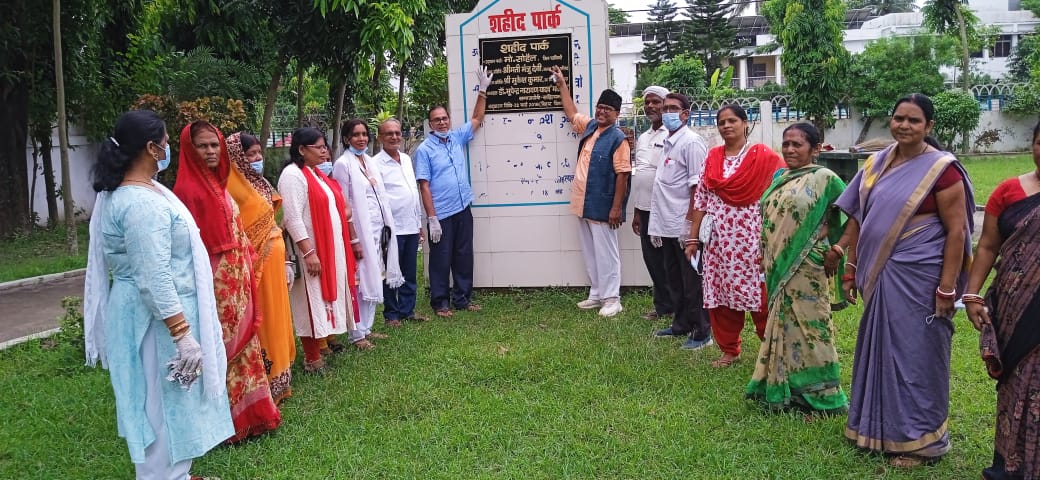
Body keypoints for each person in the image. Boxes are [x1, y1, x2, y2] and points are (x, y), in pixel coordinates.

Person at [84, 110, 233, 479]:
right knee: (161, 405)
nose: (169, 149)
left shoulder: (141, 191)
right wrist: (182, 335)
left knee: (172, 402)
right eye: (165, 143)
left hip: (154, 315)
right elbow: (153, 277)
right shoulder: (140, 204)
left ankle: (177, 475)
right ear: (152, 148)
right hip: (154, 322)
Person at [834, 93, 974, 467]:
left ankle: (923, 442)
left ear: (929, 126)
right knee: (881, 350)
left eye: (914, 120)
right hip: (881, 275)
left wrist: (947, 288)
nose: (904, 126)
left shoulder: (942, 170)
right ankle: (879, 430)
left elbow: (957, 233)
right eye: (899, 118)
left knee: (916, 356)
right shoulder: (877, 162)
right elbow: (859, 217)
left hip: (922, 278)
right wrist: (850, 267)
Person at [173, 121, 282, 442]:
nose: (209, 151)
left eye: (214, 145)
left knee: (247, 346)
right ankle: (228, 424)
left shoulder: (219, 184)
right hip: (214, 287)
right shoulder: (187, 192)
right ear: (189, 150)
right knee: (224, 349)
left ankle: (255, 414)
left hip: (238, 281)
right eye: (202, 146)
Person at [744, 122, 849, 413]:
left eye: (798, 144)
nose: (789, 149)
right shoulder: (780, 176)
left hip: (808, 264)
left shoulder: (825, 178)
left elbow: (858, 213)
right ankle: (783, 386)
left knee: (812, 328)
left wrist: (838, 249)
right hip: (777, 263)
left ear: (815, 149)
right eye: (786, 143)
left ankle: (824, 395)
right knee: (782, 325)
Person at [964, 122, 1040, 480]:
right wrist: (973, 294)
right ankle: (1009, 465)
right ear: (1032, 144)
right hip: (1013, 308)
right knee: (1015, 385)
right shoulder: (1008, 191)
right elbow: (988, 247)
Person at [683, 104, 783, 367]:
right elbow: (701, 201)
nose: (726, 126)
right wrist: (693, 239)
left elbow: (784, 192)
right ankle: (730, 350)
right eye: (722, 122)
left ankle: (772, 349)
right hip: (719, 242)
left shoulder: (764, 156)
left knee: (761, 296)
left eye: (732, 121)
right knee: (721, 296)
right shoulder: (713, 156)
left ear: (745, 123)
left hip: (752, 239)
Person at [550, 65, 632, 317]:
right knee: (590, 249)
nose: (601, 112)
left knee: (607, 252)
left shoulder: (618, 138)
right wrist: (562, 85)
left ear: (616, 114)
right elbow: (571, 112)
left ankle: (612, 298)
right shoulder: (591, 127)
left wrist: (616, 207)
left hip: (604, 205)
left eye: (607, 109)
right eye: (600, 107)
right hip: (583, 202)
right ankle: (597, 293)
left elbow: (623, 174)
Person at [277, 127, 360, 370]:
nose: (325, 151)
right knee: (308, 301)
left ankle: (323, 346)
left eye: (325, 146)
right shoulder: (293, 176)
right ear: (302, 150)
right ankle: (312, 359)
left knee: (320, 300)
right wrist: (309, 252)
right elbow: (292, 218)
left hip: (328, 251)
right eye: (319, 147)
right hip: (309, 253)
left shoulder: (315, 174)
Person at [414, 66, 493, 318]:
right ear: (430, 123)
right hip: (442, 213)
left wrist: (482, 90)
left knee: (463, 254)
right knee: (440, 259)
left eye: (445, 118)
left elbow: (477, 119)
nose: (442, 122)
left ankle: (462, 298)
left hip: (463, 207)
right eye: (437, 119)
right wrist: (432, 218)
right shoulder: (425, 149)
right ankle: (440, 303)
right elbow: (423, 184)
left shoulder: (456, 137)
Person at [224, 132, 296, 404]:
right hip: (255, 267)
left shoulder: (261, 184)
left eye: (258, 153)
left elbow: (273, 224)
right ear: (236, 157)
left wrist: (287, 259)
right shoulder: (229, 188)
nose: (256, 159)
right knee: (263, 317)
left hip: (275, 263)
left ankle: (282, 372)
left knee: (278, 315)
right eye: (250, 154)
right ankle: (264, 377)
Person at [647, 93, 713, 350]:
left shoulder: (692, 143)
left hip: (684, 226)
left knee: (692, 282)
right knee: (674, 278)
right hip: (666, 224)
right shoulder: (668, 141)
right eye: (665, 109)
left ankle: (701, 331)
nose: (667, 113)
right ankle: (681, 323)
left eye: (673, 108)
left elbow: (698, 189)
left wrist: (691, 228)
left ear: (686, 113)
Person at [333, 119, 404, 349]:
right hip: (360, 233)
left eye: (364, 134)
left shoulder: (367, 161)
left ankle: (367, 328)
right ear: (346, 139)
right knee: (360, 281)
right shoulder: (343, 165)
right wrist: (354, 239)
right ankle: (356, 334)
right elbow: (344, 205)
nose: (361, 138)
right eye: (356, 135)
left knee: (376, 275)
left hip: (378, 229)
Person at [374, 118, 427, 326]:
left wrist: (419, 223)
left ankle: (408, 310)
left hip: (411, 225)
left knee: (409, 271)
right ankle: (392, 314)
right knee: (390, 271)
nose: (394, 137)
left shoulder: (405, 158)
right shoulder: (375, 163)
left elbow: (412, 191)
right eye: (389, 134)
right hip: (391, 228)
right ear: (380, 138)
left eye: (397, 133)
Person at [630, 85, 675, 321]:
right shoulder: (644, 136)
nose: (650, 106)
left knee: (669, 259)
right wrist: (637, 212)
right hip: (646, 209)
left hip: (666, 209)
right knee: (652, 259)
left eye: (655, 102)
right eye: (647, 102)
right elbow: (641, 176)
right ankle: (662, 305)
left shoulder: (672, 135)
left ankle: (677, 304)